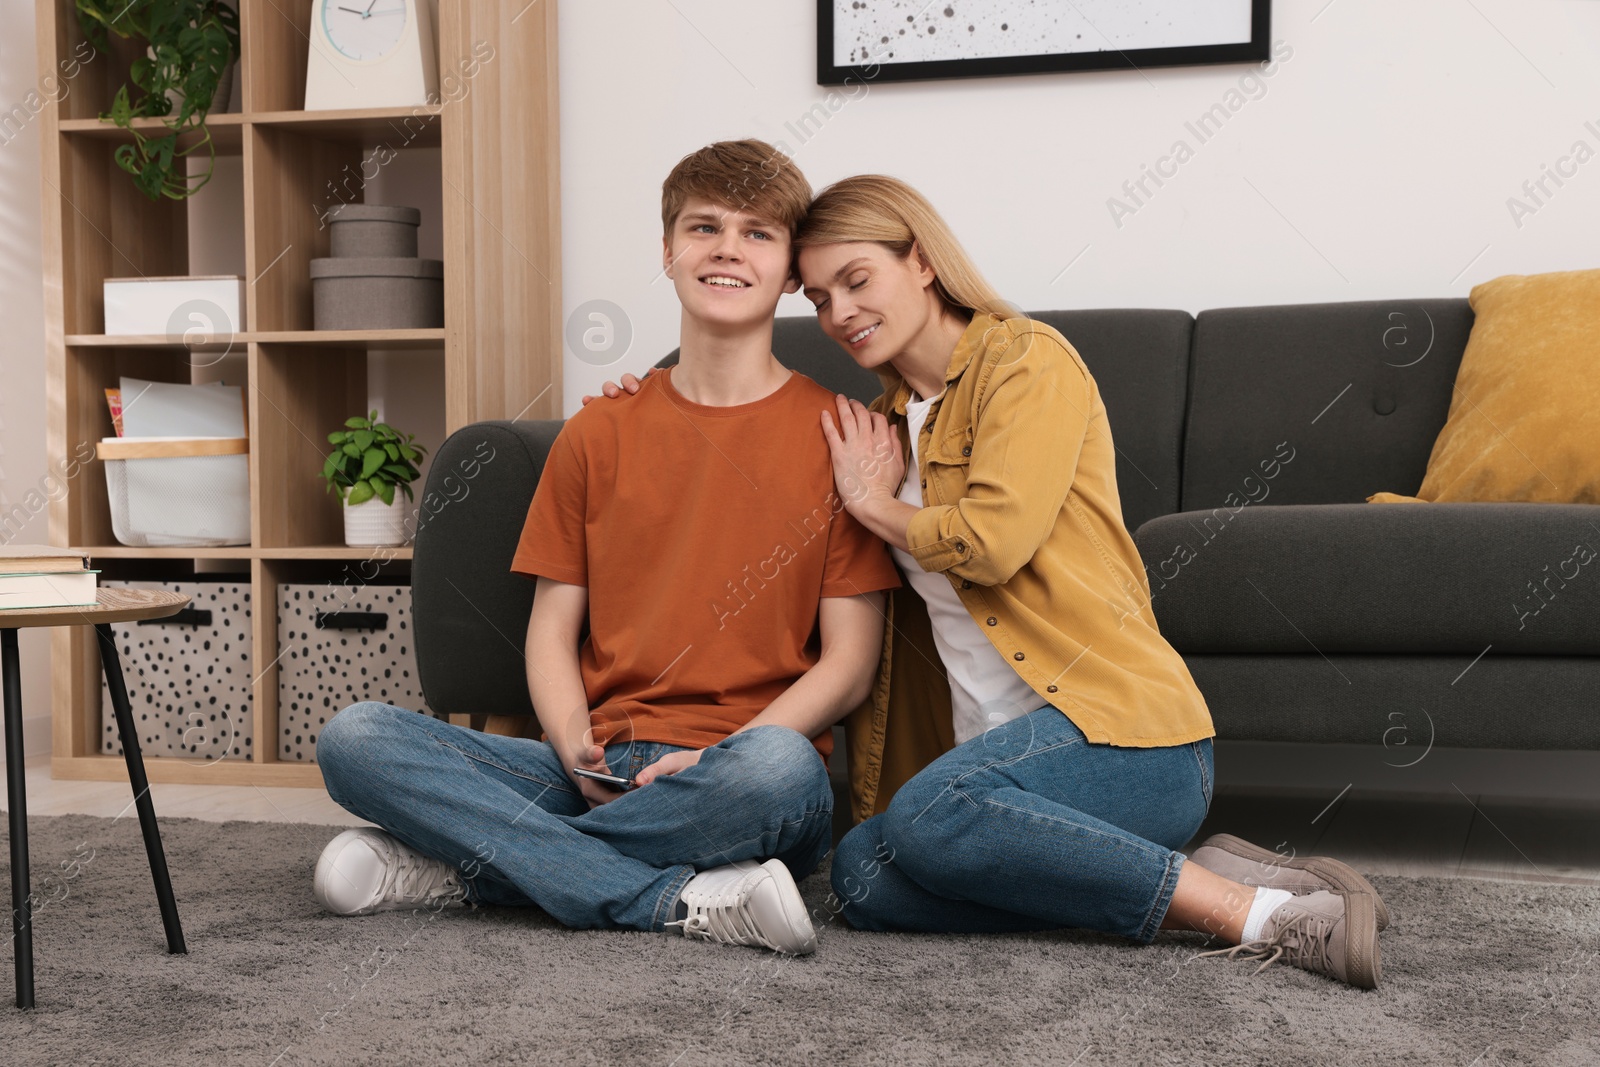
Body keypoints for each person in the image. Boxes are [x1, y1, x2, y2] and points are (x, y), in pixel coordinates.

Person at [589, 174, 1392, 988]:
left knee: (930, 816)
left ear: (924, 262)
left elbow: (992, 540)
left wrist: (873, 502)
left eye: (858, 280)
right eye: (821, 296)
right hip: (992, 774)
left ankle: (1255, 916)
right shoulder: (877, 423)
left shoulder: (1025, 361)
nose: (838, 315)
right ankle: (1182, 870)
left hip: (1122, 738)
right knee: (863, 874)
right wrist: (650, 399)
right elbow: (757, 489)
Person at [309, 140, 901, 957]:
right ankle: (672, 897)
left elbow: (849, 664)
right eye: (704, 227)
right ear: (667, 252)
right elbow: (552, 630)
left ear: (792, 271)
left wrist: (714, 754)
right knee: (356, 738)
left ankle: (473, 868)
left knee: (785, 770)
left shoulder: (841, 436)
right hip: (597, 764)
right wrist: (568, 740)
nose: (728, 247)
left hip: (739, 772)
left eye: (758, 233)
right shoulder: (599, 430)